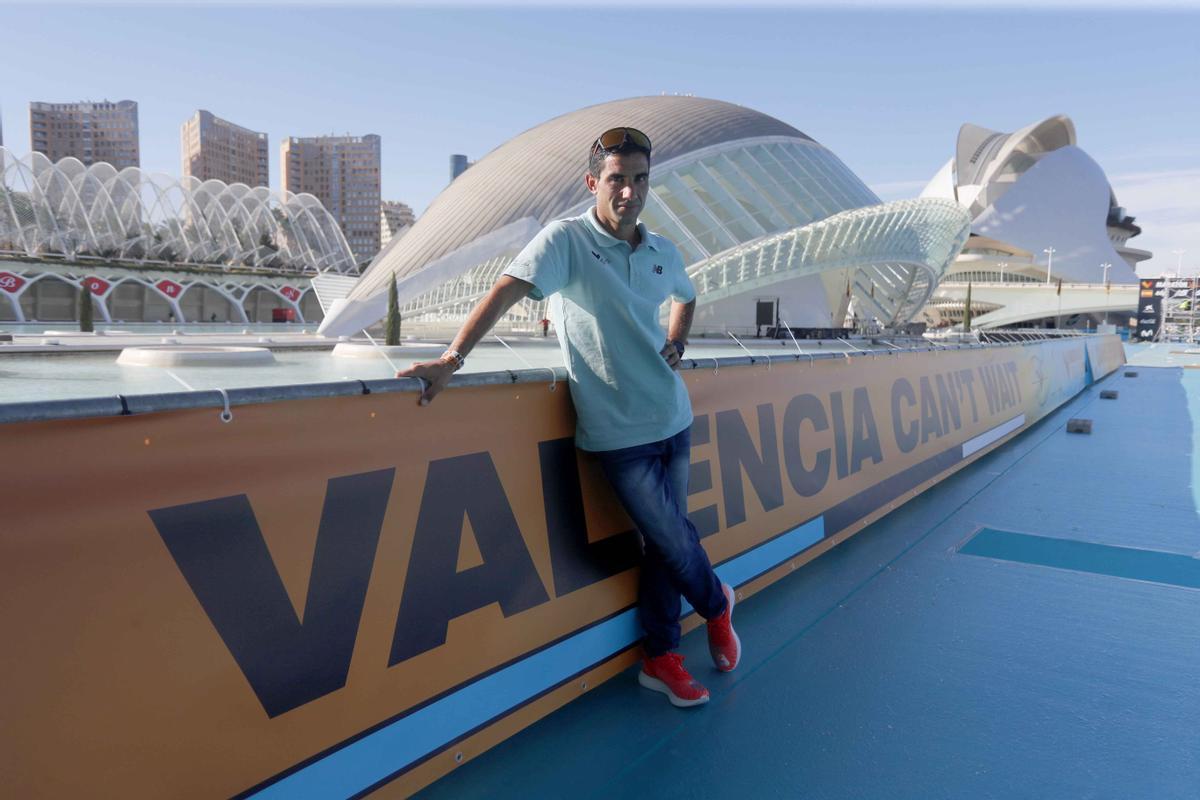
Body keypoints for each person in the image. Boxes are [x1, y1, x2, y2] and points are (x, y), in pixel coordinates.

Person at [398, 126, 740, 708]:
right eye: (616, 179)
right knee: (672, 540)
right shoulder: (567, 242)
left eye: (639, 179)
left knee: (665, 546)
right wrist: (452, 360)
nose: (629, 191)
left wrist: (677, 343)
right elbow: (506, 290)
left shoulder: (663, 251)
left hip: (673, 417)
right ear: (591, 182)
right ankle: (717, 604)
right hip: (618, 432)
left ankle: (660, 658)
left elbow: (686, 296)